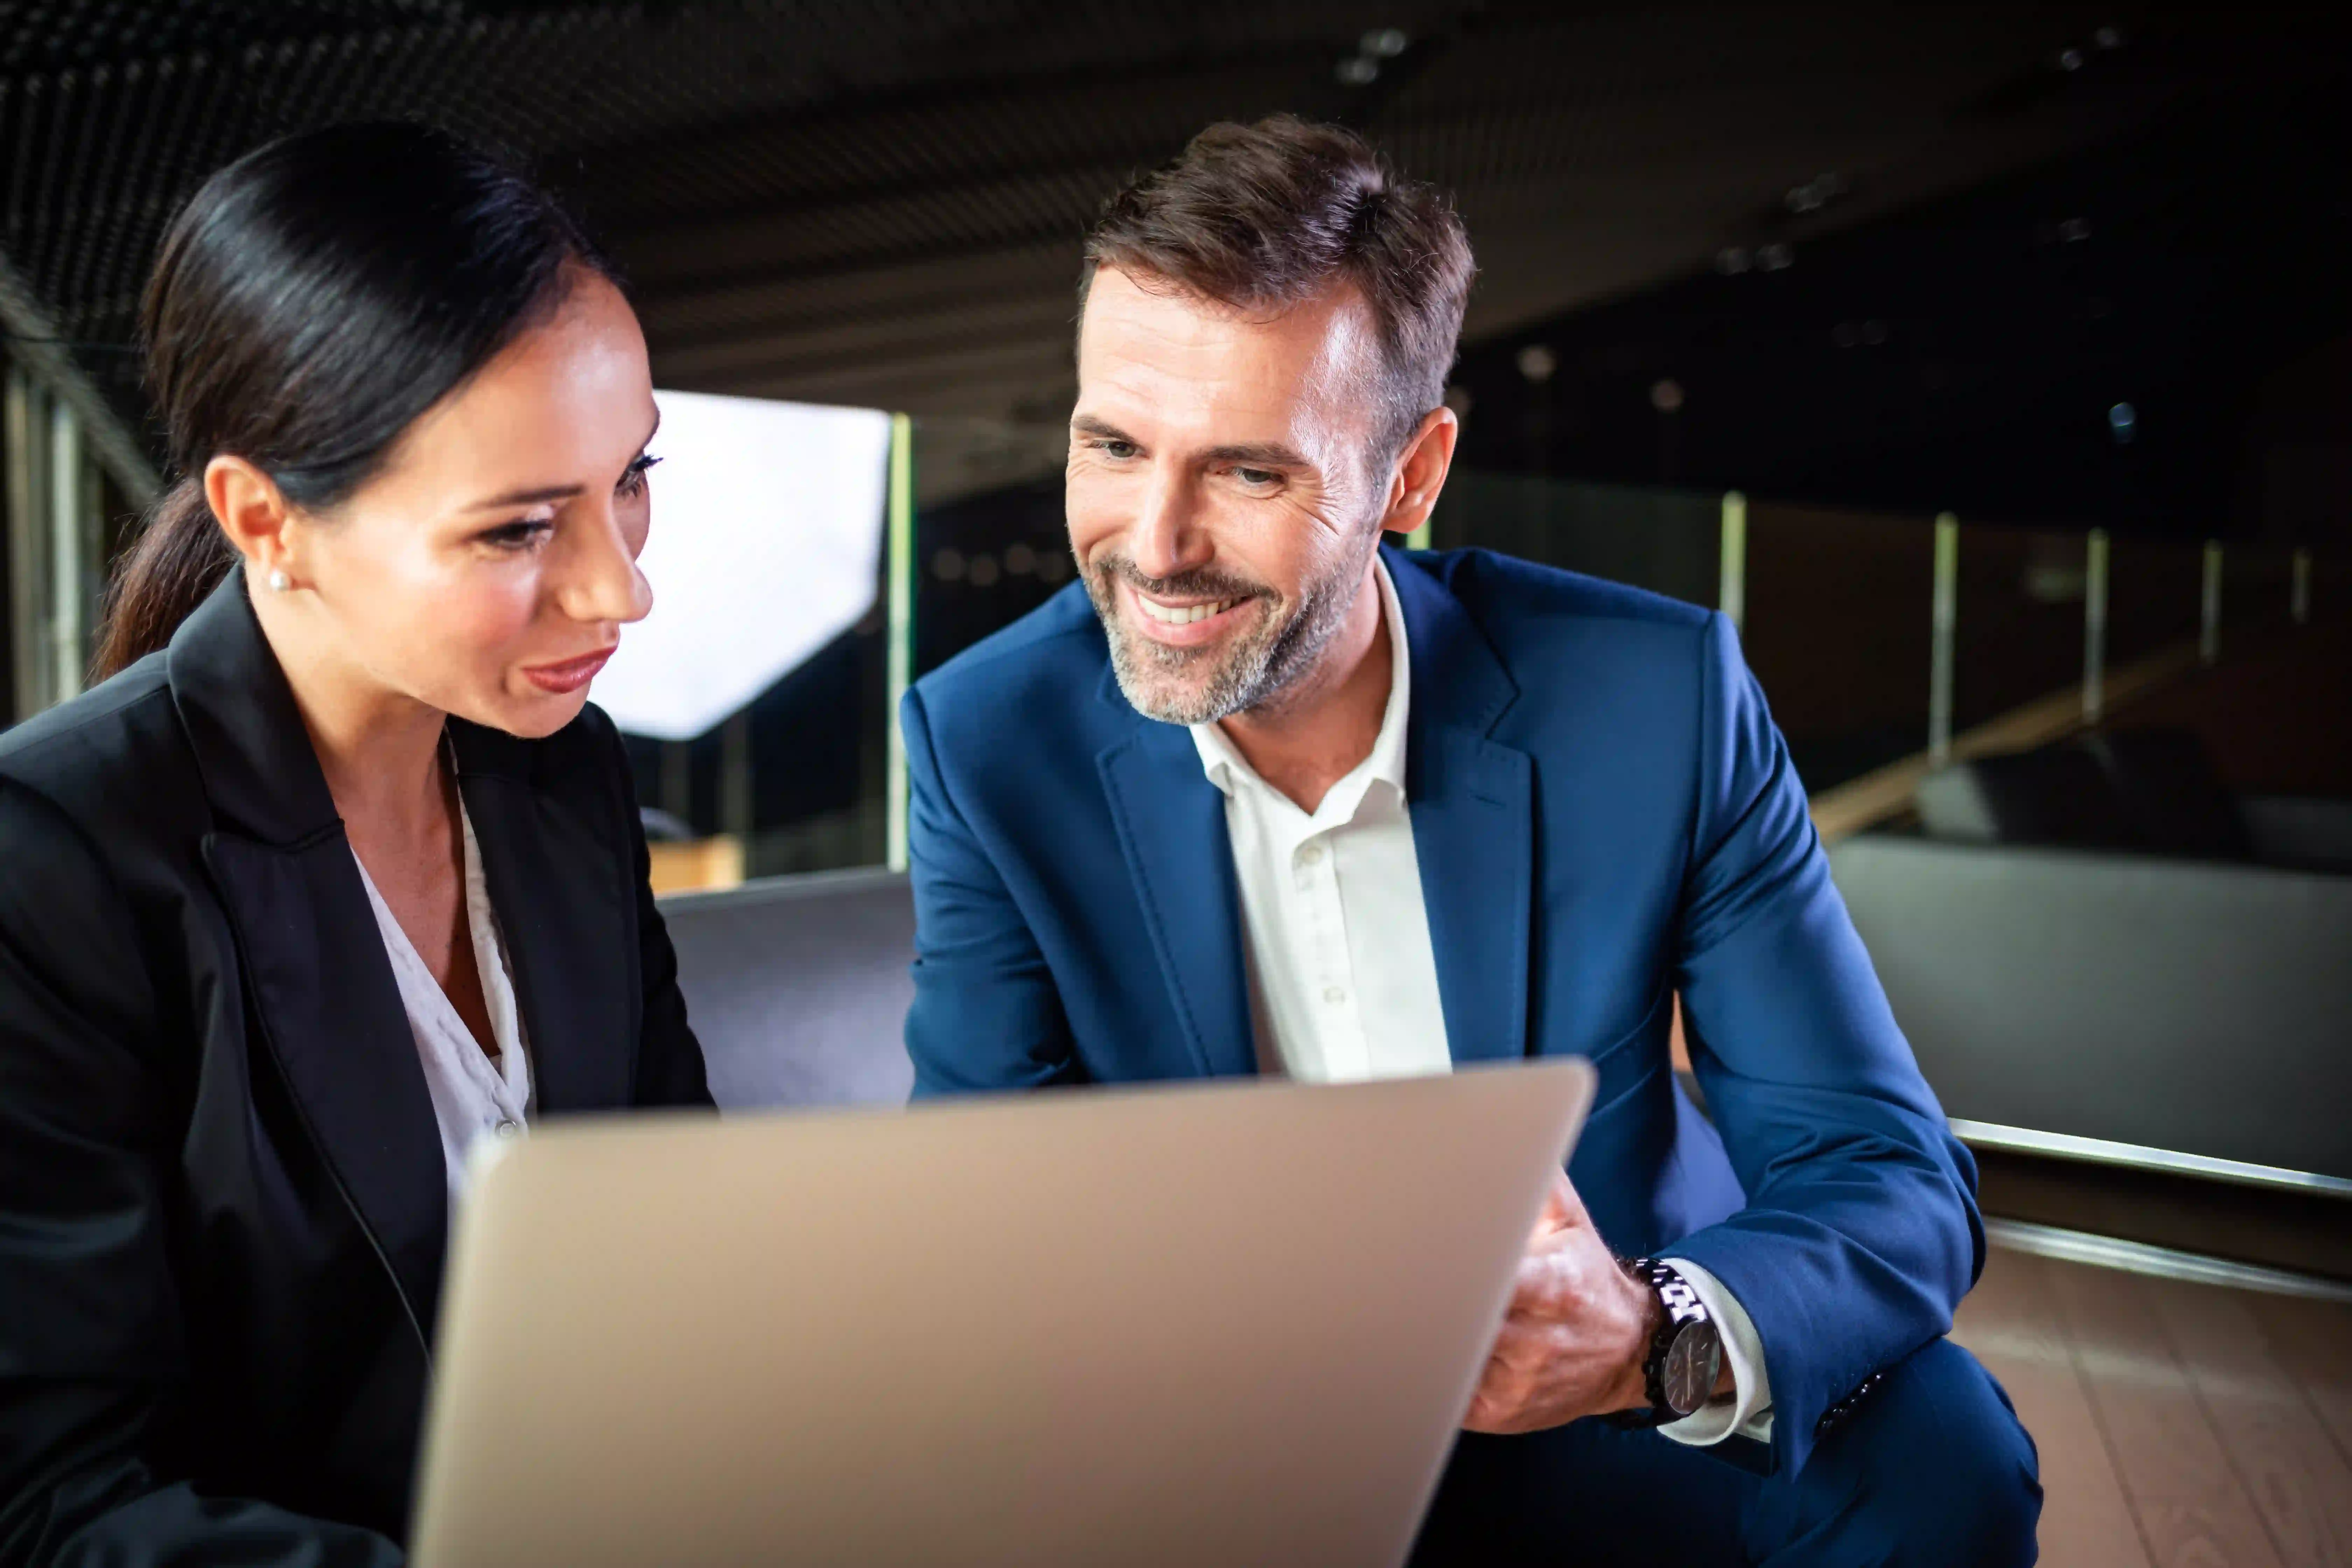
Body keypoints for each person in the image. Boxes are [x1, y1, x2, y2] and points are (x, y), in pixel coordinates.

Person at [901, 116, 2041, 1565]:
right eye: (1113, 445)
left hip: (1591, 1396)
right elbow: (984, 1213)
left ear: (1412, 474)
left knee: (1939, 1456)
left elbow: (1884, 1163)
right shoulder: (990, 738)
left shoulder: (1654, 697)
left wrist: (1647, 1337)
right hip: (1221, 1437)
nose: (1156, 542)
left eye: (1249, 473)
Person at [0, 124, 710, 1567]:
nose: (620, 586)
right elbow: (52, 1504)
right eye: (518, 531)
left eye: (630, 477)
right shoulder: (52, 864)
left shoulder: (558, 779)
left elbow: (682, 1241)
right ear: (268, 520)